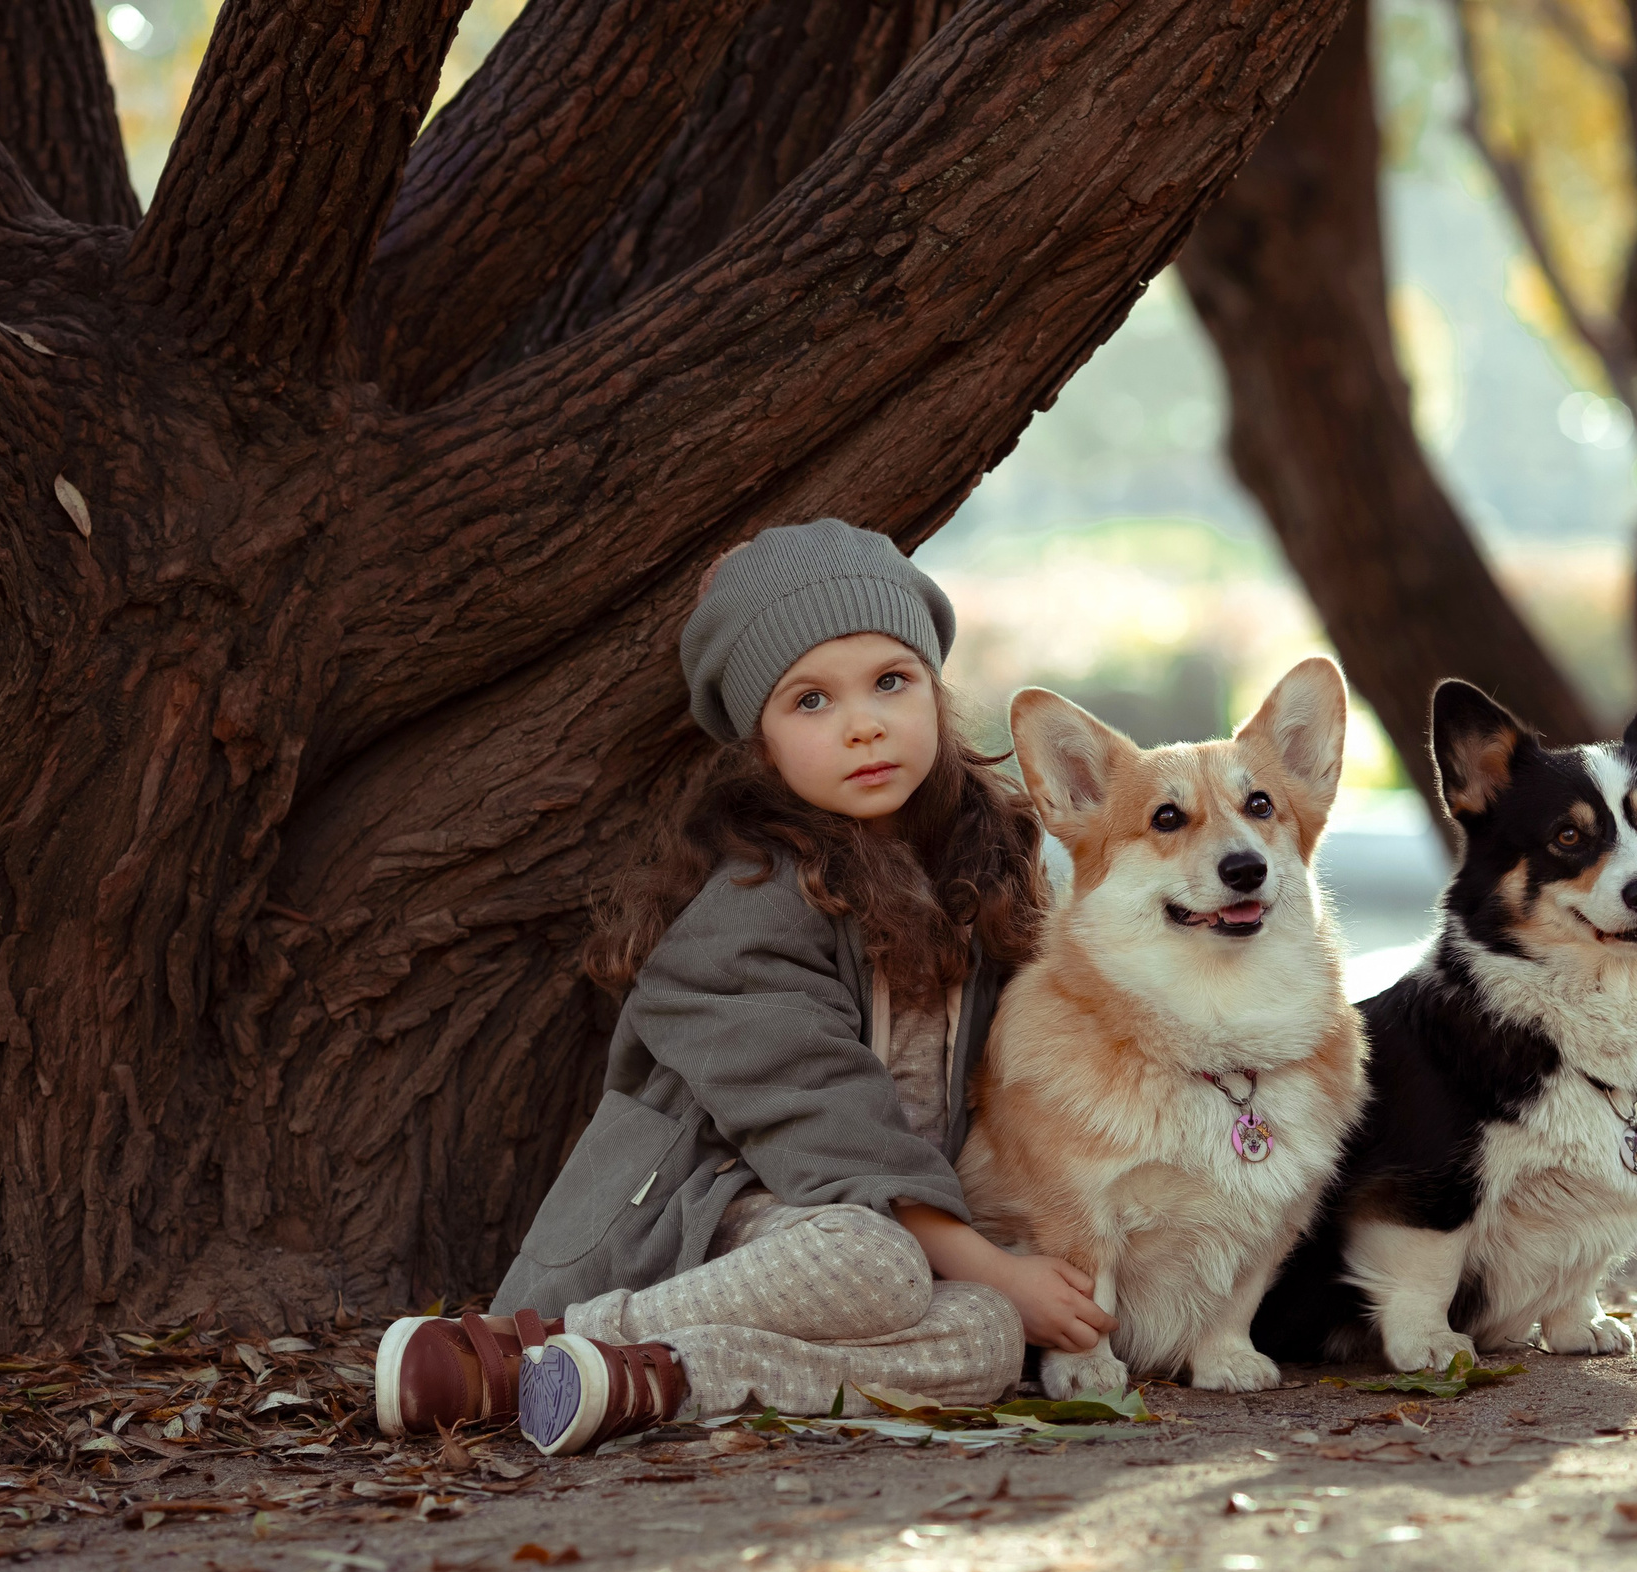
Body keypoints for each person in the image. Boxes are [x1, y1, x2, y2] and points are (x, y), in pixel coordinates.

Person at [371, 519, 1114, 1455]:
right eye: (811, 701)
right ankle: (529, 1354)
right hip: (705, 1226)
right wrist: (994, 1265)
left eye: (892, 681)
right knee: (876, 1261)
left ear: (935, 687)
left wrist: (1005, 1277)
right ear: (761, 743)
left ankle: (654, 1382)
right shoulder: (748, 906)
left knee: (984, 1336)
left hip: (873, 1238)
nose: (863, 723)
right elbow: (828, 1129)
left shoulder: (985, 863)